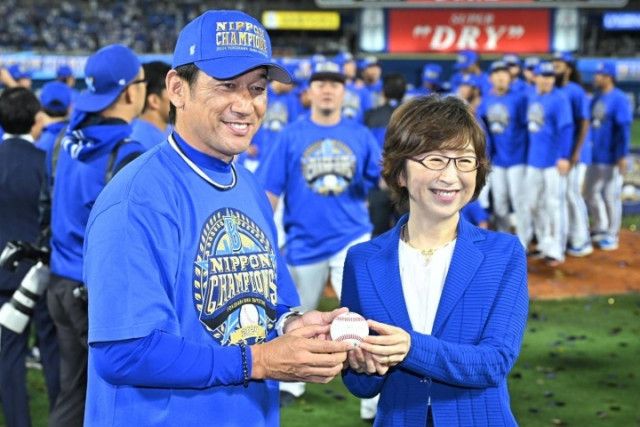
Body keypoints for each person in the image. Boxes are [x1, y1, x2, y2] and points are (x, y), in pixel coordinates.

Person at [82, 10, 350, 426]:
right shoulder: (138, 198)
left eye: (257, 88)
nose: (245, 105)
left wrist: (293, 324)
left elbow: (269, 303)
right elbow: (124, 351)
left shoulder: (248, 187)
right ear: (177, 89)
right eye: (226, 85)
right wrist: (258, 361)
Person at [341, 95, 529, 426]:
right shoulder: (363, 261)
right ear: (400, 172)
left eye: (464, 160)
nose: (450, 176)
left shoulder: (503, 254)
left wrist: (409, 348)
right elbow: (361, 386)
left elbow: (495, 362)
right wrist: (362, 365)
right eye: (435, 159)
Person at [256, 60, 380, 406]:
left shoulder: (359, 135)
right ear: (309, 92)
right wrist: (264, 236)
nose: (327, 90)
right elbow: (270, 191)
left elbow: (382, 179)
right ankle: (292, 385)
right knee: (298, 320)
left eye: (334, 83)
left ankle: (371, 401)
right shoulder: (290, 135)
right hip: (303, 241)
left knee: (363, 318)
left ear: (344, 92)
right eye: (320, 83)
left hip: (352, 238)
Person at [47, 44, 148, 427]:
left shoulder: (64, 139)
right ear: (130, 92)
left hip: (60, 284)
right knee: (109, 405)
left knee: (72, 395)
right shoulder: (128, 152)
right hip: (95, 295)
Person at [0, 87, 60, 427]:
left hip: (4, 271)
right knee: (52, 354)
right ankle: (61, 419)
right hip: (40, 270)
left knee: (10, 357)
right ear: (36, 118)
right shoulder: (44, 161)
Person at [522, 62, 573, 266]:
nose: (547, 80)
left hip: (553, 162)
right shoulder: (532, 96)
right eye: (543, 76)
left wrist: (564, 156)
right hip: (534, 160)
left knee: (554, 205)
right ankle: (544, 243)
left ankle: (557, 249)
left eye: (550, 76)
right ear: (536, 78)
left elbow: (566, 129)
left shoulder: (560, 99)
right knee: (533, 203)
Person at [477, 60, 528, 238]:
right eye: (496, 73)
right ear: (490, 78)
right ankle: (504, 238)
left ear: (509, 77)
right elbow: (482, 129)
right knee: (499, 202)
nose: (500, 77)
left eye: (504, 73)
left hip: (518, 158)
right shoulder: (486, 100)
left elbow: (528, 128)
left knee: (520, 201)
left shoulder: (519, 99)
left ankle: (523, 240)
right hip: (497, 159)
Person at [584, 61, 632, 251]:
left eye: (600, 74)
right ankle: (600, 226)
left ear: (609, 77)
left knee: (611, 196)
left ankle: (612, 235)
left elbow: (624, 129)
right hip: (595, 155)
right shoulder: (597, 97)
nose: (596, 77)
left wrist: (622, 155)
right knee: (590, 192)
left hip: (612, 156)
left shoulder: (619, 98)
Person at [552, 51, 593, 257]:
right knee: (562, 195)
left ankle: (582, 239)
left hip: (577, 152)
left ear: (568, 69)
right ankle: (570, 236)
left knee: (572, 194)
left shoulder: (576, 91)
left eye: (559, 65)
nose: (555, 68)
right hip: (563, 153)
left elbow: (584, 122)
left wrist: (576, 152)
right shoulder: (556, 89)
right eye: (554, 64)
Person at [365, 73, 406, 237]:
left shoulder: (370, 115)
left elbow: (366, 151)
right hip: (405, 183)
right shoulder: (413, 116)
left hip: (379, 181)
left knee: (377, 237)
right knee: (408, 236)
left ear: (383, 92)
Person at [130, 61, 171, 150]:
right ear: (154, 101)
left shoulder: (171, 131)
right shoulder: (140, 144)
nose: (181, 97)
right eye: (174, 91)